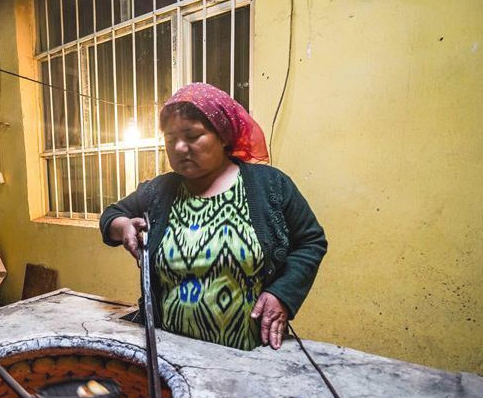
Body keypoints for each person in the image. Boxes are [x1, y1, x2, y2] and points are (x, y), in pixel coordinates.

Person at [99, 83, 326, 351]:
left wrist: (282, 295)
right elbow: (111, 217)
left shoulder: (270, 186)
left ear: (223, 136)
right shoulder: (160, 191)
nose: (180, 147)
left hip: (249, 352)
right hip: (171, 351)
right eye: (171, 139)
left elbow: (311, 241)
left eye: (193, 136)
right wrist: (122, 226)